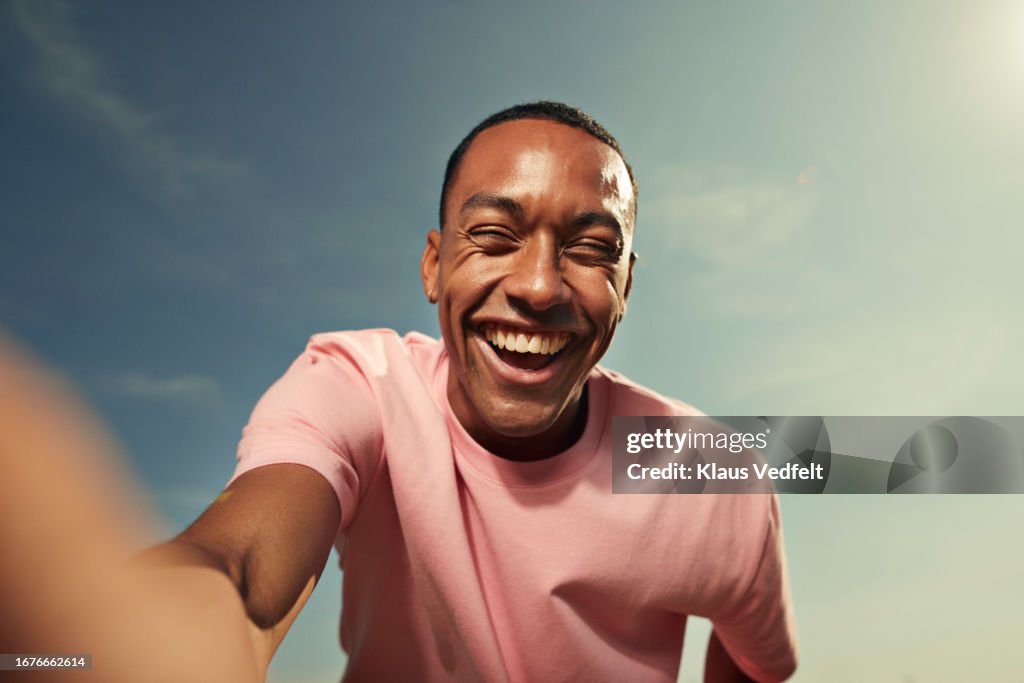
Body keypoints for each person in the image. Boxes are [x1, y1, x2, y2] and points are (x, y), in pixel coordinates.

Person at [0, 102, 797, 682]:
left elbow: (759, 659)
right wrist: (116, 640)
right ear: (433, 264)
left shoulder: (711, 469)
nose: (540, 284)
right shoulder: (360, 388)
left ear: (626, 284)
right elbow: (240, 573)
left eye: (591, 249)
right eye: (494, 236)